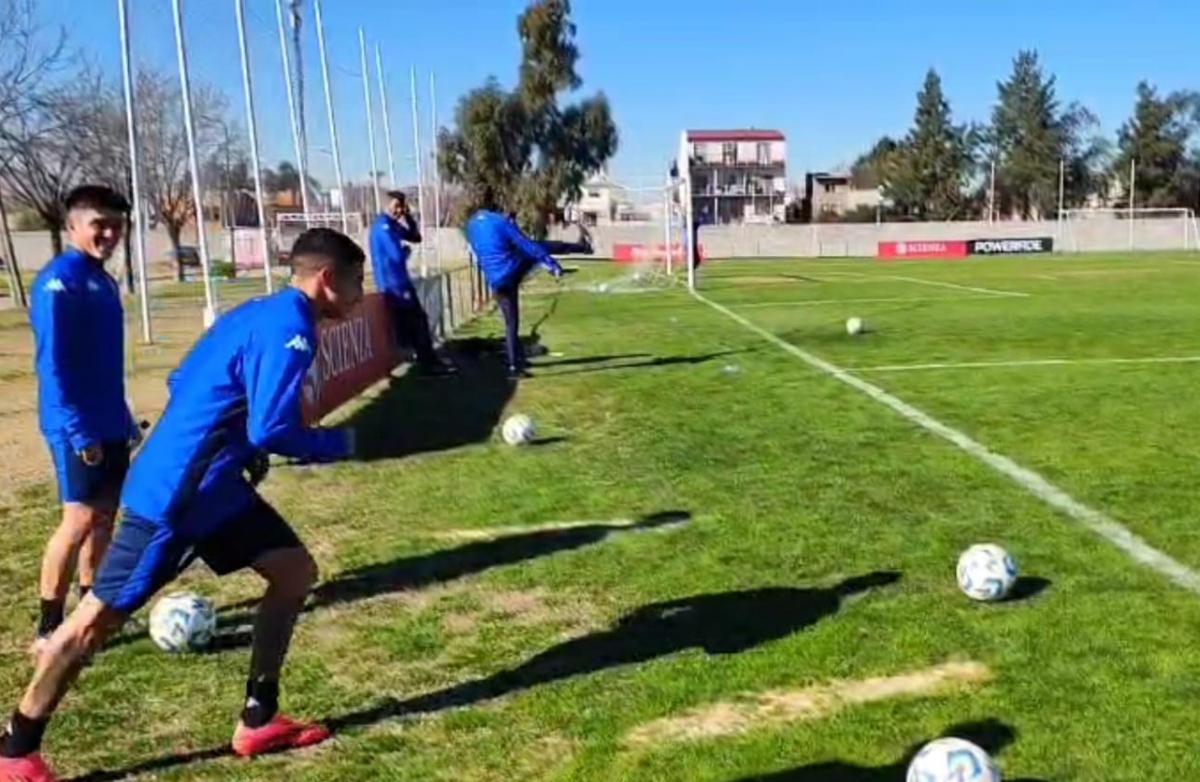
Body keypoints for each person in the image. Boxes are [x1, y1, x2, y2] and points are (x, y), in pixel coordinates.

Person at [0, 228, 365, 781]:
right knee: (92, 624)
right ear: (327, 279)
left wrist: (234, 449)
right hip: (176, 495)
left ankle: (259, 717)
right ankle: (16, 751)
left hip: (215, 489)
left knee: (294, 572)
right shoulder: (292, 328)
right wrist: (342, 443)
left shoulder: (256, 313)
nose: (361, 295)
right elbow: (271, 427)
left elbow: (183, 378)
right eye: (356, 282)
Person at [28, 185, 141, 660]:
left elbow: (104, 365)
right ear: (72, 226)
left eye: (117, 226)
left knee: (104, 519)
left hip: (109, 420)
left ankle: (89, 612)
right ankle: (48, 627)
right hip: (75, 425)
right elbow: (53, 367)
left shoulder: (104, 281)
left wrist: (123, 419)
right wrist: (77, 431)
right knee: (77, 520)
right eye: (100, 225)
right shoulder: (59, 283)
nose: (110, 234)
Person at [463, 207, 564, 379]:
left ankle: (516, 360)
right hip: (510, 272)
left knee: (510, 322)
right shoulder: (500, 222)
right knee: (535, 249)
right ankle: (513, 366)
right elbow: (524, 243)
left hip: (494, 280)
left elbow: (479, 249)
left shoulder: (471, 226)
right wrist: (551, 262)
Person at [368, 191, 455, 376]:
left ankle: (428, 360)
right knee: (418, 323)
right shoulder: (383, 227)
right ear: (385, 205)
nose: (399, 210)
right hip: (394, 286)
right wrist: (405, 252)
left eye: (402, 207)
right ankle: (428, 364)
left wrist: (408, 217)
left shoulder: (392, 225)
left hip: (401, 282)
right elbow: (397, 256)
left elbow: (416, 237)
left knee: (417, 323)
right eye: (396, 206)